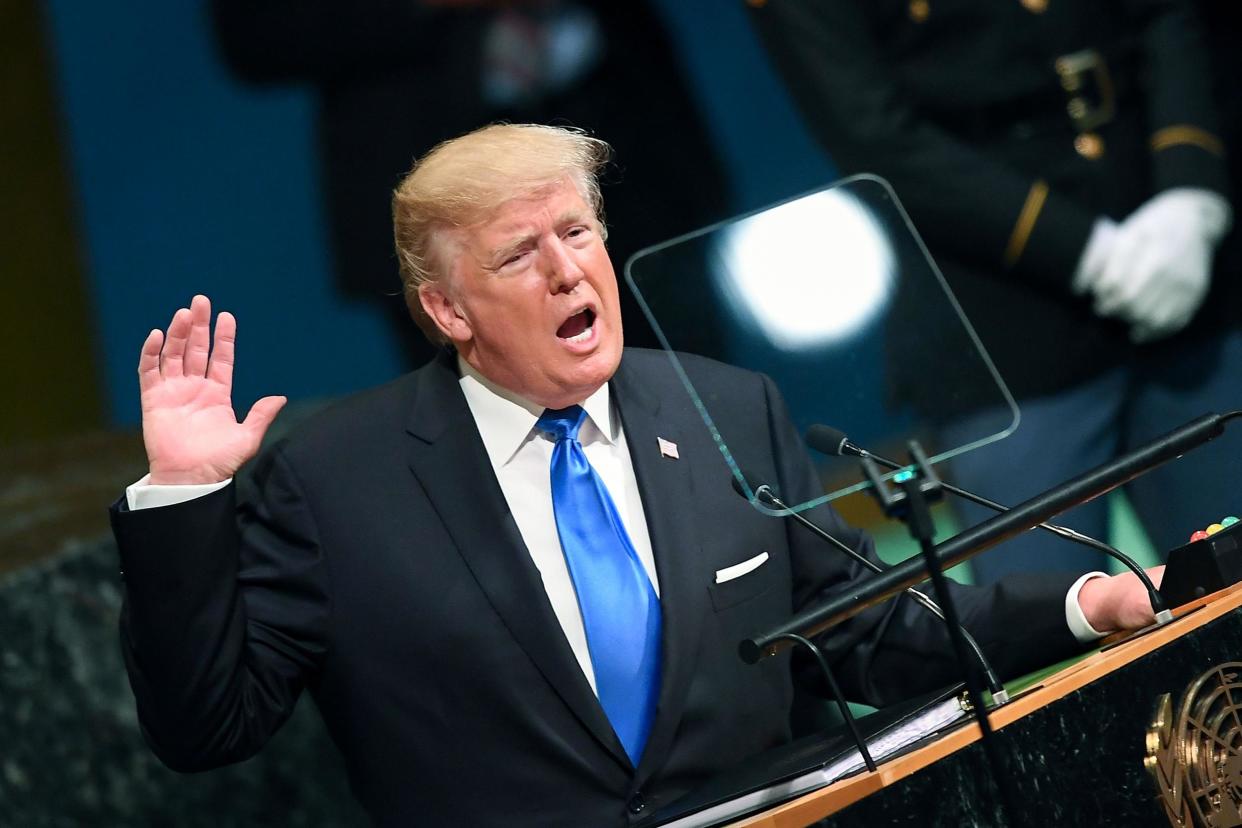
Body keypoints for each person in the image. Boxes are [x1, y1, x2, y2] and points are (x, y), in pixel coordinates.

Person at [110, 124, 1159, 827]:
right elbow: (207, 730)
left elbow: (860, 632)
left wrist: (1081, 606)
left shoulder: (725, 407)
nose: (569, 270)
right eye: (520, 255)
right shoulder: (336, 482)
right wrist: (186, 500)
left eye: (578, 232)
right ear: (446, 309)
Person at [748, 0, 1241, 584]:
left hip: (1181, 256)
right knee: (1062, 630)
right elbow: (871, 130)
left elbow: (1170, 16)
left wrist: (1193, 190)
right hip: (1000, 327)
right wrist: (1086, 253)